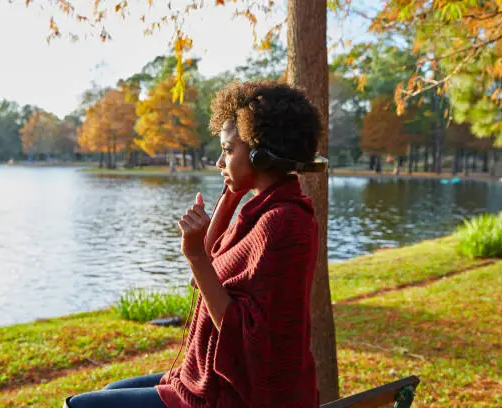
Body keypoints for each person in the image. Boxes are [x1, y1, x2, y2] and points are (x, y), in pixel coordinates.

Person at [63, 80, 322, 408]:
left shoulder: (282, 223)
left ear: (259, 155)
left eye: (228, 150)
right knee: (112, 389)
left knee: (79, 406)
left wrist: (195, 253)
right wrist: (230, 198)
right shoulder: (260, 212)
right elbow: (201, 283)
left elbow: (243, 335)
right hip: (202, 378)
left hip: (233, 396)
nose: (219, 161)